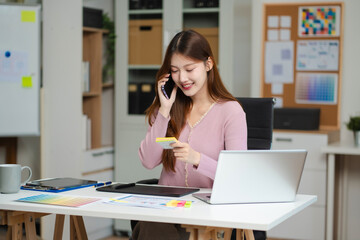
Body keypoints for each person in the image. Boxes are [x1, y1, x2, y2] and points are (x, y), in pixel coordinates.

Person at [132, 29, 247, 240]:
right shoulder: (168, 109)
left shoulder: (230, 111)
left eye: (189, 69)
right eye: (175, 70)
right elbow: (148, 161)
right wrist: (164, 111)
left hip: (206, 217)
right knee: (150, 225)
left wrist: (197, 159)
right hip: (166, 211)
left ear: (208, 64)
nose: (182, 78)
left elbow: (237, 176)